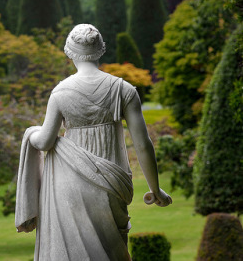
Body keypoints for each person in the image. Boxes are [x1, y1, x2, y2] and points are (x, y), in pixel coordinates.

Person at [15, 24, 172, 261]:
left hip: (69, 185)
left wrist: (31, 133)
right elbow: (143, 144)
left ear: (69, 52)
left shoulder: (60, 92)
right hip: (112, 185)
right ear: (101, 50)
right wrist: (155, 188)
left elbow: (45, 142)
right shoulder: (124, 90)